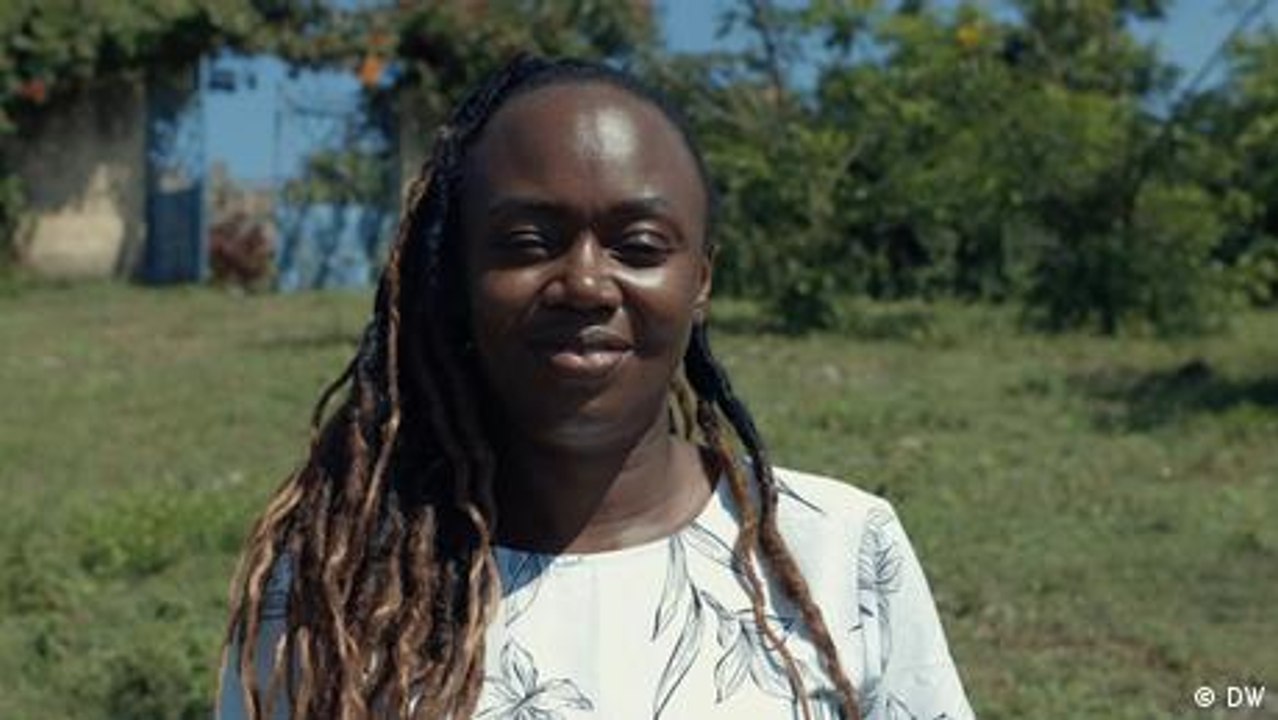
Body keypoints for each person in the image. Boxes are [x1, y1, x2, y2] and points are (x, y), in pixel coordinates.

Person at [217, 54, 973, 720]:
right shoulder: (340, 582)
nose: (584, 282)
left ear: (699, 280)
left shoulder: (839, 550)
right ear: (458, 279)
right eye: (526, 244)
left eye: (638, 247)